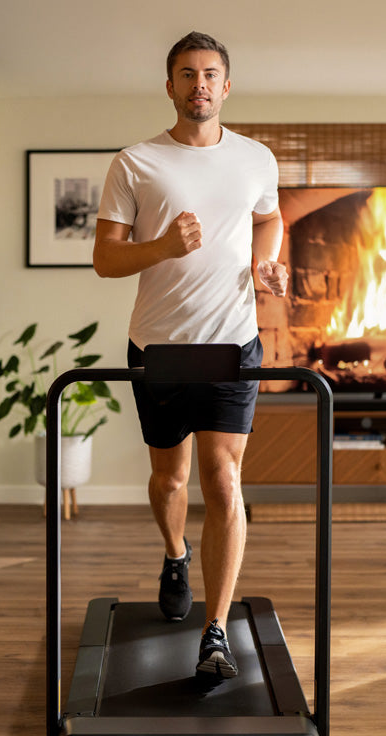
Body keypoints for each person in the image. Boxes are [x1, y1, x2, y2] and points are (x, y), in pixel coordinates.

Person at [93, 31, 288, 679]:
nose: (199, 84)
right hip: (159, 346)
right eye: (186, 73)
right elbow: (105, 259)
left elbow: (269, 218)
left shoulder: (257, 159)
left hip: (234, 341)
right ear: (170, 86)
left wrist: (267, 263)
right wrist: (162, 248)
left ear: (226, 86)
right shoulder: (135, 163)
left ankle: (215, 632)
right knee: (171, 478)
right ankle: (175, 553)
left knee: (224, 480)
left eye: (210, 74)